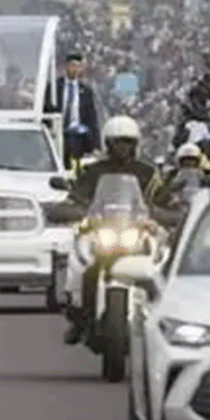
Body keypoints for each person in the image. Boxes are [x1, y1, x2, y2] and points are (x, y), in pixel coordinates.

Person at [64, 115, 160, 345]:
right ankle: (81, 317)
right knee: (83, 263)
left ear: (135, 144)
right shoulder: (93, 171)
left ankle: (159, 314)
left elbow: (162, 198)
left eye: (127, 142)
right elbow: (77, 197)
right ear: (108, 144)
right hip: (103, 230)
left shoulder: (147, 172)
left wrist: (165, 212)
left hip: (136, 231)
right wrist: (72, 209)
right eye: (117, 142)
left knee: (159, 261)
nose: (122, 147)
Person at [48, 52, 100, 169]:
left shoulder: (86, 91)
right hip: (57, 134)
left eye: (78, 66)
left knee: (75, 167)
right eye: (72, 65)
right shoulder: (54, 87)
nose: (75, 69)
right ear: (66, 66)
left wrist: (96, 145)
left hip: (77, 137)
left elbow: (92, 118)